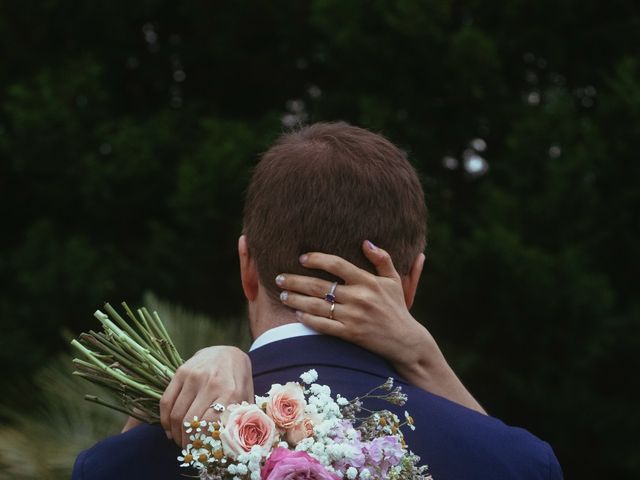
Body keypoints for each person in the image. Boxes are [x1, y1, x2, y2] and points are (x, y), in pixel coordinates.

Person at [73, 122, 563, 479]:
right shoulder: (514, 463)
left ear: (247, 266)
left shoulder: (119, 466)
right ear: (411, 281)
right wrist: (423, 356)